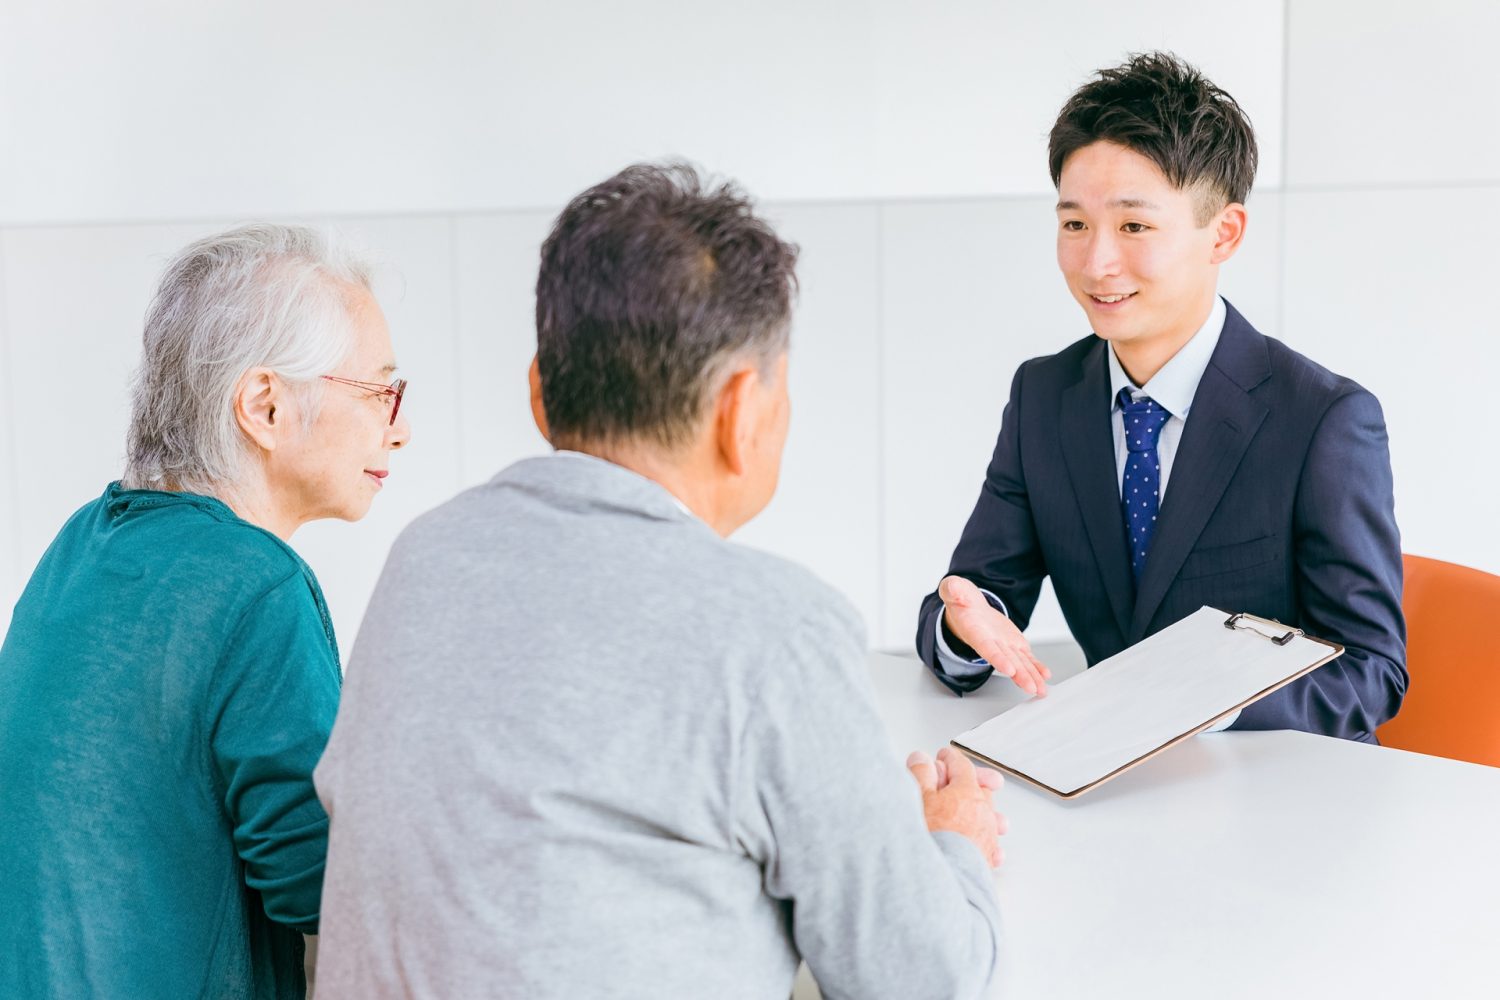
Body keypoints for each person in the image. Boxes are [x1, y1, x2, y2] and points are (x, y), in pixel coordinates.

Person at [314, 163, 1004, 999]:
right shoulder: (774, 628)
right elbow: (923, 981)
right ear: (742, 412)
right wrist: (952, 842)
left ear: (538, 395)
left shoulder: (425, 558)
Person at [916, 52, 1405, 743]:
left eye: (1134, 227)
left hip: (1280, 804)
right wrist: (964, 629)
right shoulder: (1044, 398)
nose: (1096, 264)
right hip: (1108, 793)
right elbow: (978, 596)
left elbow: (1372, 672)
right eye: (1075, 224)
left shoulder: (1321, 420)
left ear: (1223, 234)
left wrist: (1206, 706)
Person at [0, 224, 412, 999]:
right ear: (264, 405)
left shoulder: (82, 545)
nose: (400, 425)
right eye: (379, 390)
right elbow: (332, 890)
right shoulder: (257, 585)